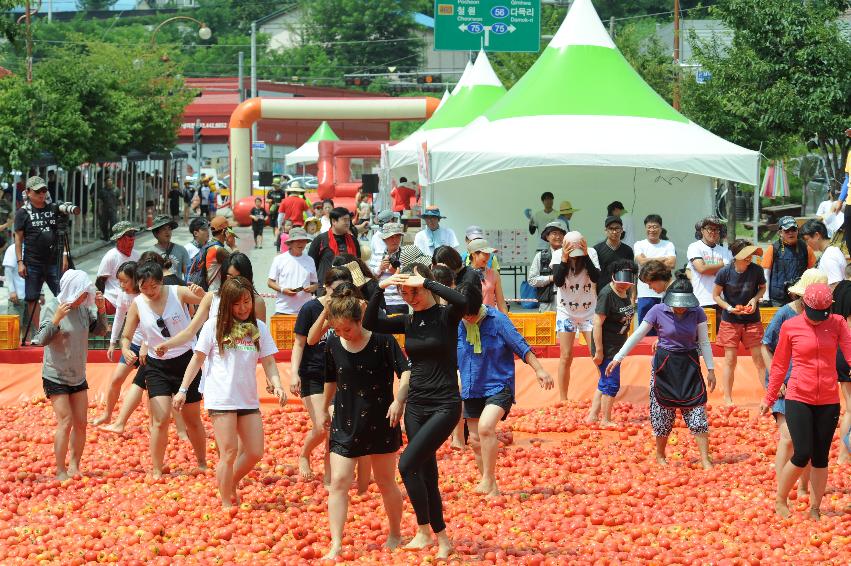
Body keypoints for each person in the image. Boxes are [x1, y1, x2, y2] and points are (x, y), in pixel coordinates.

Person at [362, 264, 473, 559]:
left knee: (406, 465)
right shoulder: (410, 321)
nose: (410, 297)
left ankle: (439, 536)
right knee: (426, 473)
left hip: (445, 404)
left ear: (426, 286)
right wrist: (382, 287)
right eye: (404, 292)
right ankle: (428, 534)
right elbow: (371, 321)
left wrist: (425, 280)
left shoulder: (446, 316)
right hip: (416, 405)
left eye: (414, 291)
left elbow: (461, 301)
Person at [175, 276, 286, 507]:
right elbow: (197, 359)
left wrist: (277, 385)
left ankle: (228, 482)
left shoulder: (259, 328)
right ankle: (227, 501)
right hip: (221, 397)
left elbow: (269, 362)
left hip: (247, 398)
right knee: (229, 452)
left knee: (255, 451)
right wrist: (183, 390)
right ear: (227, 304)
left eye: (247, 302)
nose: (243, 308)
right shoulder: (213, 326)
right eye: (237, 304)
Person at [320, 285, 410, 559]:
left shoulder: (383, 341)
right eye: (337, 330)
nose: (342, 334)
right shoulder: (333, 344)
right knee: (339, 482)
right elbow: (330, 379)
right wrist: (325, 408)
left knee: (385, 482)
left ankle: (395, 533)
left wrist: (399, 401)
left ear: (360, 320)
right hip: (345, 421)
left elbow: (406, 372)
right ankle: (336, 543)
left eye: (347, 329)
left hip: (381, 419)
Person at [607, 270, 716, 469]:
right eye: (677, 306)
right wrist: (618, 358)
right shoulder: (657, 310)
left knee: (697, 411)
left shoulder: (697, 311)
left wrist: (711, 369)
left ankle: (705, 458)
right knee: (662, 412)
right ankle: (660, 455)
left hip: (689, 364)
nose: (680, 309)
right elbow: (637, 335)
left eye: (684, 306)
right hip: (664, 365)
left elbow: (704, 342)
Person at [761, 283, 851, 520]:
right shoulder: (791, 326)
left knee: (821, 456)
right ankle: (781, 499)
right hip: (799, 396)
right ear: (804, 305)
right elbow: (779, 365)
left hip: (828, 399)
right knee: (802, 452)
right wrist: (770, 397)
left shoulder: (838, 323)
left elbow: (850, 352)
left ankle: (815, 508)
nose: (817, 320)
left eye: (823, 315)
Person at [120, 262, 207, 477]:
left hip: (186, 362)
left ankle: (202, 462)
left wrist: (201, 293)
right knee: (159, 419)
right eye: (144, 287)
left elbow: (207, 301)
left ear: (161, 281)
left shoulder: (177, 292)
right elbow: (126, 335)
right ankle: (157, 468)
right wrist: (125, 348)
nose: (150, 292)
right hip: (156, 366)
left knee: (192, 418)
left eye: (154, 287)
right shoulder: (138, 304)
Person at [458, 299, 553, 496]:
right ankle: (492, 489)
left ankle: (487, 478)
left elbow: (520, 345)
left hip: (499, 385)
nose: (469, 318)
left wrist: (540, 370)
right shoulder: (457, 323)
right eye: (464, 314)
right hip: (472, 385)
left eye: (472, 314)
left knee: (485, 427)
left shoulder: (497, 320)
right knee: (475, 441)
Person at [32, 270, 107, 480]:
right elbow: (40, 339)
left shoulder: (83, 309)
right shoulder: (52, 308)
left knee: (81, 422)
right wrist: (56, 320)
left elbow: (100, 330)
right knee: (65, 421)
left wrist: (100, 310)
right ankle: (60, 469)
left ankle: (74, 465)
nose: (86, 297)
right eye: (83, 293)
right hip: (56, 374)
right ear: (73, 291)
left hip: (78, 375)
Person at [761, 270, 826, 497]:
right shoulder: (784, 314)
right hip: (783, 384)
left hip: (809, 386)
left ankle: (802, 487)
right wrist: (775, 380)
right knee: (789, 437)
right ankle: (782, 488)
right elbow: (765, 345)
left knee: (805, 440)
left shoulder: (823, 317)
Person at [291, 267, 353, 481]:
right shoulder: (310, 309)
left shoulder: (348, 307)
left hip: (338, 376)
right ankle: (304, 454)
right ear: (325, 287)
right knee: (321, 426)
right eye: (335, 290)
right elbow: (302, 343)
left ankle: (330, 479)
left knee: (333, 428)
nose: (340, 295)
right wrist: (293, 374)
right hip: (313, 374)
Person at [712, 240, 767, 406]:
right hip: (730, 321)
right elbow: (715, 296)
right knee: (730, 359)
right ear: (736, 256)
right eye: (746, 255)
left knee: (759, 359)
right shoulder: (724, 272)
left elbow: (762, 288)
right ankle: (727, 398)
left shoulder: (757, 270)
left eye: (751, 254)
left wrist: (755, 299)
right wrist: (729, 308)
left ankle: (769, 395)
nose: (750, 258)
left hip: (752, 320)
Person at [92, 261, 144, 427]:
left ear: (136, 280)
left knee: (148, 387)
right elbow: (119, 318)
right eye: (119, 281)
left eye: (125, 281)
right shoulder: (123, 296)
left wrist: (147, 345)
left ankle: (157, 421)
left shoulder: (145, 295)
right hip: (133, 345)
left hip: (149, 347)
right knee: (116, 380)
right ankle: (108, 414)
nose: (122, 285)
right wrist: (112, 342)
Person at [14, 176, 64, 342]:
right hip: (32, 262)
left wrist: (64, 255)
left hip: (53, 261)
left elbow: (61, 234)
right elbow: (18, 238)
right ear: (28, 193)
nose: (42, 194)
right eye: (38, 191)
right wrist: (20, 262)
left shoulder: (53, 208)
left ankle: (61, 328)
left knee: (63, 294)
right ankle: (38, 332)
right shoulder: (22, 213)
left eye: (44, 190)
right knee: (32, 298)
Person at [552, 231, 600, 400]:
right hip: (566, 312)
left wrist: (585, 255)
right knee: (566, 355)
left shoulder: (591, 253)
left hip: (589, 312)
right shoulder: (558, 255)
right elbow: (558, 281)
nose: (575, 257)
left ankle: (604, 394)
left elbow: (596, 277)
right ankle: (563, 398)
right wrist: (564, 258)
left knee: (596, 355)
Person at [589, 260, 637, 426]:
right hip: (607, 347)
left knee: (604, 381)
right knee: (611, 383)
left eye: (627, 283)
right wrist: (599, 351)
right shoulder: (607, 294)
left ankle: (592, 416)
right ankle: (606, 420)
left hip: (618, 346)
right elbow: (597, 323)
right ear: (612, 276)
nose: (623, 286)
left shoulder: (627, 290)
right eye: (620, 283)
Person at [633, 215, 676, 330]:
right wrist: (662, 258)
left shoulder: (668, 244)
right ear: (645, 228)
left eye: (655, 227)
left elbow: (672, 264)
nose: (652, 230)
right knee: (645, 328)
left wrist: (649, 259)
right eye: (649, 227)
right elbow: (642, 262)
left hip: (665, 293)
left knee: (665, 327)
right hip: (645, 293)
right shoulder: (639, 244)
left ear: (661, 228)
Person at [762, 216, 816, 306]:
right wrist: (766, 298)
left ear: (797, 231)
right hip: (777, 299)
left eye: (793, 229)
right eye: (787, 231)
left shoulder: (806, 248)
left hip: (800, 297)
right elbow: (765, 274)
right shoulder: (773, 248)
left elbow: (813, 273)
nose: (791, 233)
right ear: (780, 233)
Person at [686, 216, 733, 320]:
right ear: (702, 230)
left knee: (719, 335)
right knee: (702, 335)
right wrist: (721, 265)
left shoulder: (724, 251)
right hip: (700, 300)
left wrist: (709, 269)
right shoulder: (694, 247)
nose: (713, 232)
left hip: (721, 301)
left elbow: (728, 273)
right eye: (710, 229)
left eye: (716, 229)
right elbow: (701, 269)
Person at [308, 207, 361, 289]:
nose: (348, 223)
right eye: (344, 220)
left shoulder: (353, 240)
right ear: (334, 221)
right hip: (326, 288)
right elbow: (311, 264)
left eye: (348, 220)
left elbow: (358, 262)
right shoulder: (320, 240)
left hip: (348, 288)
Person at [268, 228, 318, 314]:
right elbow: (270, 282)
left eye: (303, 241)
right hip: (283, 309)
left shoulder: (310, 260)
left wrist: (312, 288)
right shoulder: (279, 259)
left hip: (305, 309)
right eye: (297, 240)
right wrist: (283, 290)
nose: (300, 243)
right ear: (290, 243)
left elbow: (315, 283)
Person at [96, 222, 140, 315]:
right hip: (112, 302)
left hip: (132, 302)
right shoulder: (111, 256)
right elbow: (100, 281)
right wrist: (102, 305)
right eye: (128, 235)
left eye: (133, 234)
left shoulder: (137, 255)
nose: (132, 239)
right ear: (119, 239)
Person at [368, 222, 408, 315]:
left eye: (398, 236)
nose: (395, 240)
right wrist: (380, 268)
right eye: (391, 237)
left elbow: (410, 277)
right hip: (379, 300)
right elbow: (370, 278)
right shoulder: (377, 254)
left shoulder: (405, 254)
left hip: (399, 301)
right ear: (384, 239)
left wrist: (395, 272)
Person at [527, 220, 565, 313]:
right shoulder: (540, 256)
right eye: (554, 233)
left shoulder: (570, 256)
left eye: (561, 234)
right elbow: (532, 280)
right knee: (546, 327)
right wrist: (551, 278)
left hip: (567, 302)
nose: (558, 236)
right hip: (547, 304)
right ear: (547, 237)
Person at [800, 219, 846, 289]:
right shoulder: (830, 251)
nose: (807, 244)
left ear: (817, 235)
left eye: (807, 239)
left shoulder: (829, 256)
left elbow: (835, 286)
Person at [593, 215, 634, 289]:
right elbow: (593, 274)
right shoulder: (596, 249)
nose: (614, 231)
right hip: (602, 292)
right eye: (611, 229)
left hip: (622, 292)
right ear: (605, 230)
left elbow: (631, 273)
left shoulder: (628, 250)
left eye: (617, 228)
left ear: (622, 230)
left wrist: (632, 294)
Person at [467, 238, 507, 313]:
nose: (488, 257)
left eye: (489, 253)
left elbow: (501, 303)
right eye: (485, 253)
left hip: (489, 320)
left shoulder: (494, 274)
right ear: (474, 254)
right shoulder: (463, 274)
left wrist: (507, 322)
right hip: (469, 322)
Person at [151, 216, 189, 281]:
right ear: (155, 233)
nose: (167, 232)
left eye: (169, 228)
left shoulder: (181, 250)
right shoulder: (150, 253)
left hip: (178, 289)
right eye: (163, 229)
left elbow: (188, 274)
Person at [97, 177, 120, 242]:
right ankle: (106, 236)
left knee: (113, 223)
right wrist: (99, 209)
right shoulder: (102, 191)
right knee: (103, 224)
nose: (109, 182)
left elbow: (120, 200)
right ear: (105, 182)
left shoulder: (116, 190)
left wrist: (122, 208)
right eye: (108, 181)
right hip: (105, 210)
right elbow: (100, 201)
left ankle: (112, 236)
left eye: (110, 180)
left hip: (113, 209)